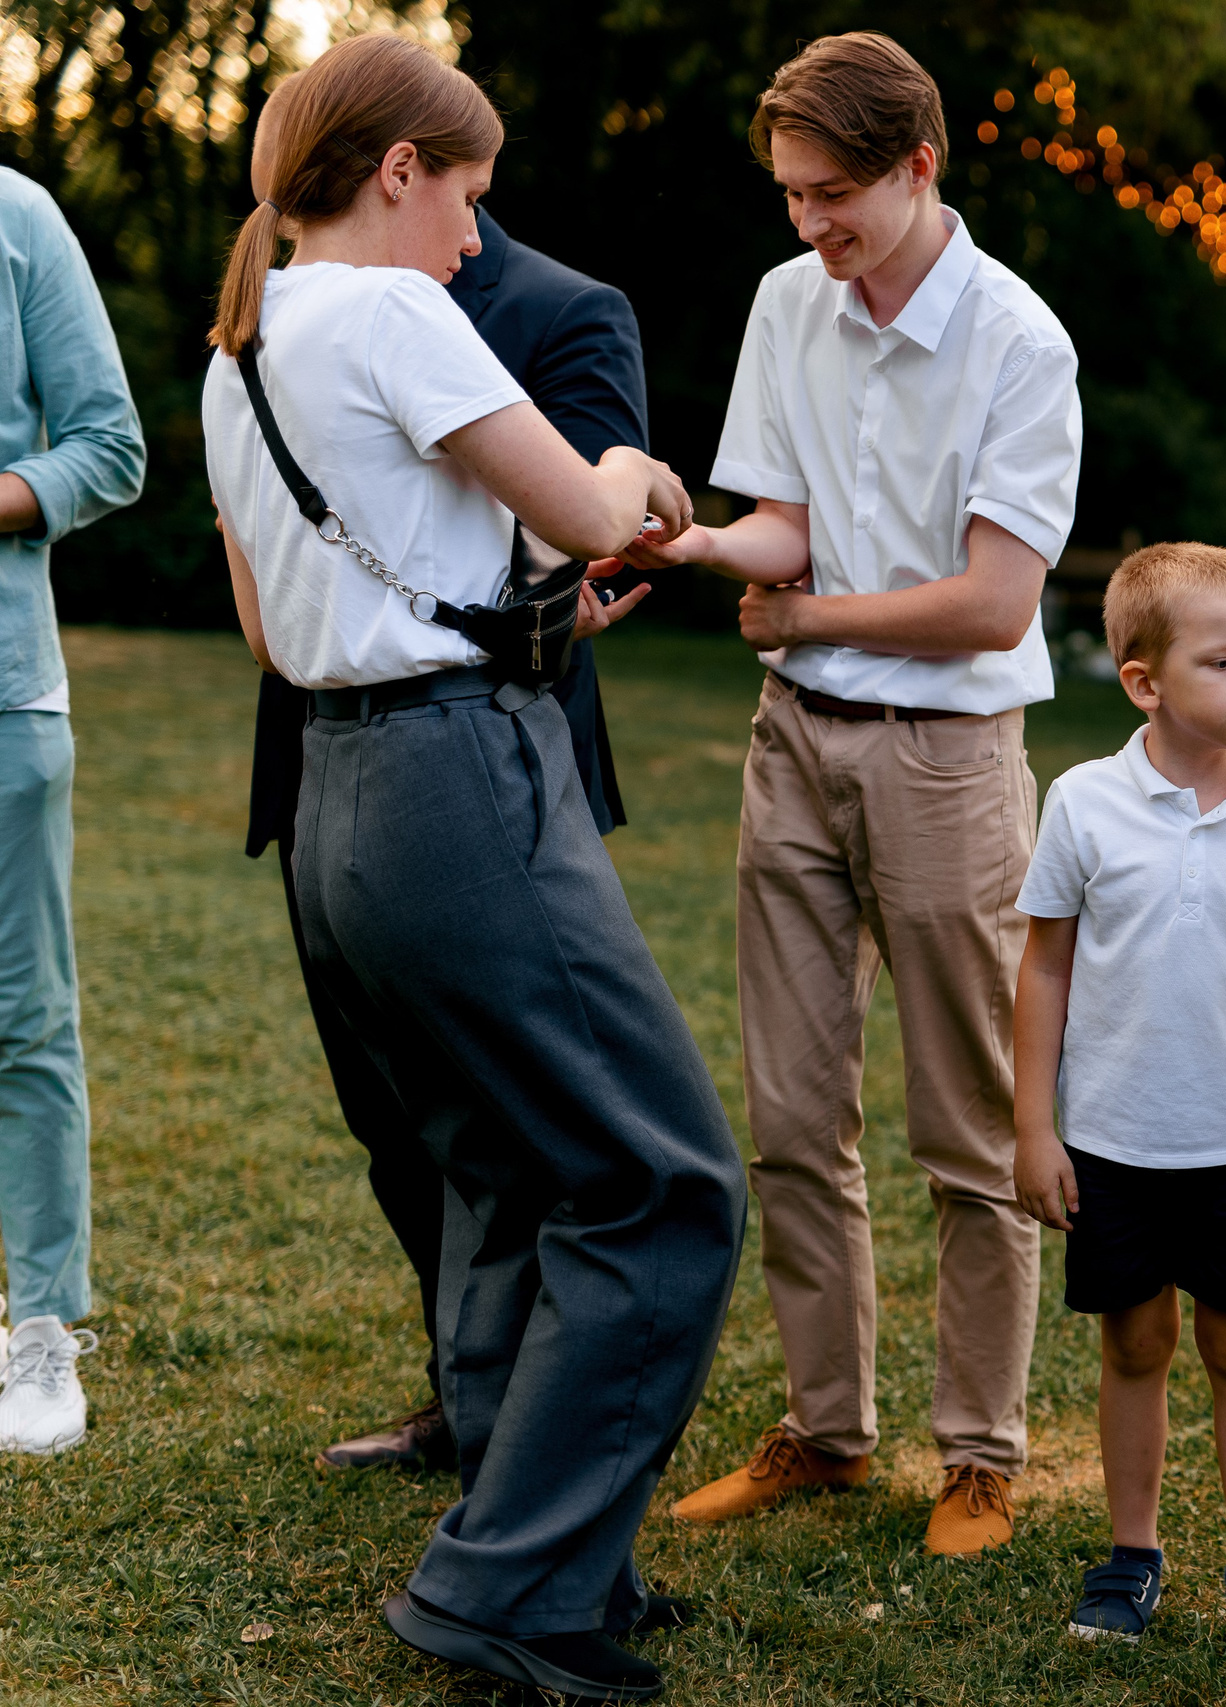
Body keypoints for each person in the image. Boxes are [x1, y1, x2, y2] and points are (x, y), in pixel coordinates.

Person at [199, 35, 744, 1701]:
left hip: (343, 802)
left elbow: (271, 620)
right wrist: (640, 483)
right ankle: (506, 1587)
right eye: (467, 198)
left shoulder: (244, 349)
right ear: (399, 171)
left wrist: (501, 580)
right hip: (462, 779)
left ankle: (557, 1552)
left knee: (511, 1177)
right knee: (665, 1186)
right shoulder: (392, 308)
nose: (470, 240)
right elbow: (595, 515)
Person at [628, 32, 1081, 1557]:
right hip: (793, 745)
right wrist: (690, 553)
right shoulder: (787, 302)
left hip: (952, 762)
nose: (811, 225)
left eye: (835, 196)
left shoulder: (1021, 341)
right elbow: (783, 527)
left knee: (971, 1120)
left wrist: (808, 611)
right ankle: (826, 1432)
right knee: (791, 1112)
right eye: (791, 196)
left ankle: (980, 1452)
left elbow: (991, 602)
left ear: (918, 166)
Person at [243, 187, 657, 1476]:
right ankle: (486, 1437)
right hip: (335, 758)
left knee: (569, 1152)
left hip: (483, 752)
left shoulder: (556, 310)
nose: (469, 231)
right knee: (429, 1135)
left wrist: (535, 597)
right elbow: (601, 511)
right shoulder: (282, 320)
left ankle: (523, 1473)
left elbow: (584, 543)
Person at [1012, 543, 1226, 1653]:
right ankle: (1131, 1555)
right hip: (1112, 1142)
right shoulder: (1084, 803)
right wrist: (1033, 1127)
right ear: (1144, 681)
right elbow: (1046, 968)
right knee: (1134, 1345)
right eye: (1223, 662)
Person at [0, 167, 145, 1458]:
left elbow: (112, 446)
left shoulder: (17, 219)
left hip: (2, 698)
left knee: (22, 1019)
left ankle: (41, 1330)